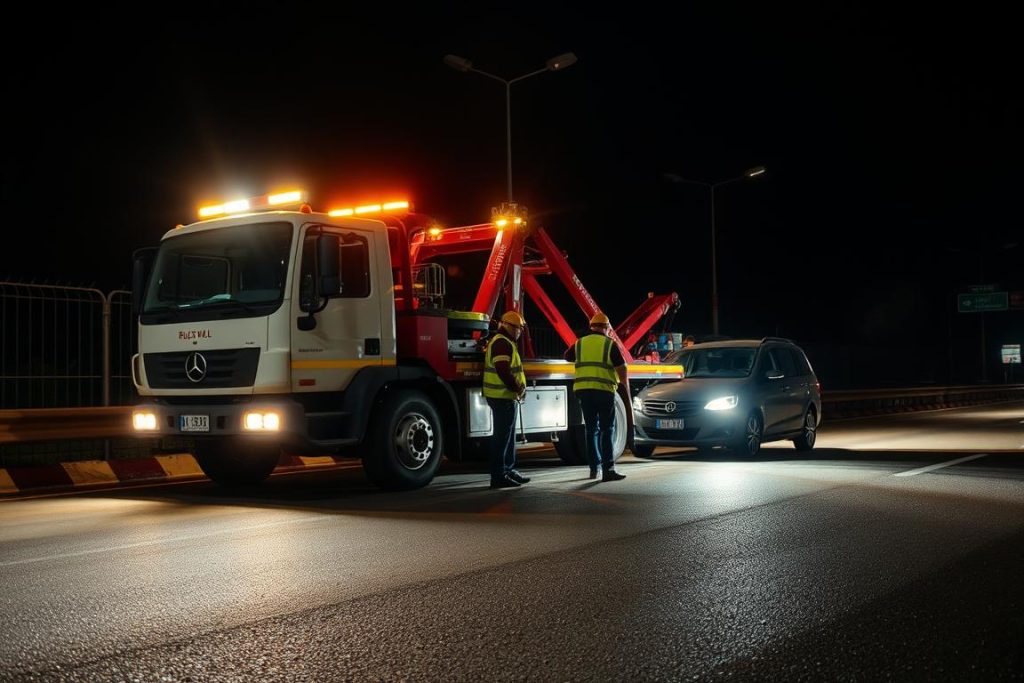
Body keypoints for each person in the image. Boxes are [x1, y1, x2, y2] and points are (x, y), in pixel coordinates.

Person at [563, 312, 629, 482]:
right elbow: (622, 369)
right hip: (604, 391)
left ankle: (594, 469)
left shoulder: (580, 343)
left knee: (591, 430)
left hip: (584, 391)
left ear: (591, 327)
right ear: (606, 328)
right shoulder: (609, 344)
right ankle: (608, 469)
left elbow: (567, 356)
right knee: (608, 429)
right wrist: (624, 388)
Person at [482, 310, 530, 489]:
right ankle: (499, 475)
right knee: (502, 437)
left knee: (508, 437)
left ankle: (507, 470)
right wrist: (517, 387)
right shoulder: (502, 343)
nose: (519, 332)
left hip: (504, 396)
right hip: (502, 396)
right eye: (518, 329)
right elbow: (503, 370)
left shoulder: (503, 341)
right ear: (508, 326)